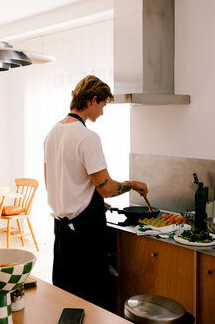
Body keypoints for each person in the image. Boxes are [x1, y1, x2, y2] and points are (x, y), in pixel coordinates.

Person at [43, 75, 148, 309]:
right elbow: (107, 188)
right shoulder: (87, 137)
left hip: (61, 230)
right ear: (93, 100)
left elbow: (54, 183)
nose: (102, 112)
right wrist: (132, 184)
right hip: (85, 232)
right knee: (93, 297)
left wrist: (91, 201)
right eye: (102, 105)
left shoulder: (52, 133)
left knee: (64, 296)